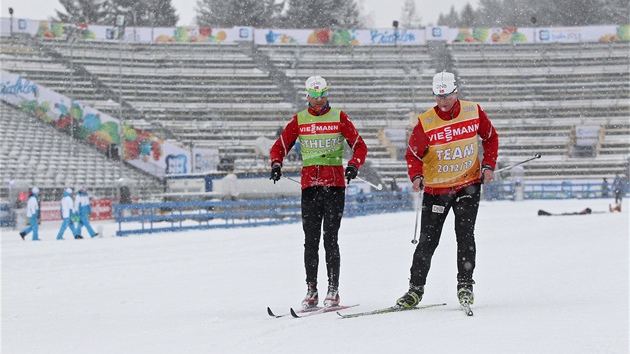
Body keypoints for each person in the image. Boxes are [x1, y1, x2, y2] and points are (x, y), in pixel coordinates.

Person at [397, 71, 499, 309]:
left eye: (447, 95)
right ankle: (415, 290)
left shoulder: (473, 111)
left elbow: (491, 138)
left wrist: (488, 165)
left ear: (456, 91)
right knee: (427, 241)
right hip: (437, 189)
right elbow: (412, 155)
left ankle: (465, 285)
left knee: (465, 235)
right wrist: (416, 175)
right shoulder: (426, 121)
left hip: (468, 185)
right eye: (438, 96)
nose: (443, 101)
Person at [269, 75, 368, 309]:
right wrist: (276, 164)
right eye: (314, 96)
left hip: (333, 187)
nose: (319, 100)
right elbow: (280, 145)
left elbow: (360, 145)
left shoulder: (339, 117)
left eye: (322, 95)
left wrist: (354, 165)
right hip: (310, 189)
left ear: (327, 94)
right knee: (310, 241)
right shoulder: (300, 120)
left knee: (330, 239)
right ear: (307, 96)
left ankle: (333, 289)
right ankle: (311, 289)